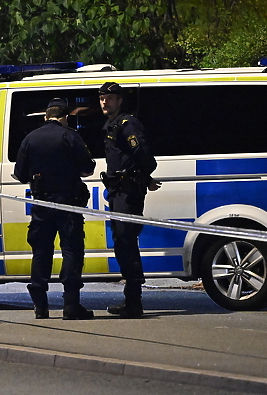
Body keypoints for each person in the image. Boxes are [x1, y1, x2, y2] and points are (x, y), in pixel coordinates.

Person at [14, 97, 96, 320]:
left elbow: (20, 174)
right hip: (68, 203)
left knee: (41, 252)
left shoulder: (30, 138)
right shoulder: (70, 136)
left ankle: (40, 307)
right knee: (71, 251)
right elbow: (88, 168)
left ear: (45, 117)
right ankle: (71, 306)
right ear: (65, 118)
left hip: (42, 204)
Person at [99, 81, 160, 318]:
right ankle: (131, 300)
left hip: (127, 192)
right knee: (122, 243)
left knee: (126, 242)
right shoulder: (112, 124)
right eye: (102, 98)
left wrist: (144, 176)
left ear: (120, 100)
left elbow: (143, 154)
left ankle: (134, 302)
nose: (105, 102)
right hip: (118, 192)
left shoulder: (127, 124)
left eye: (110, 98)